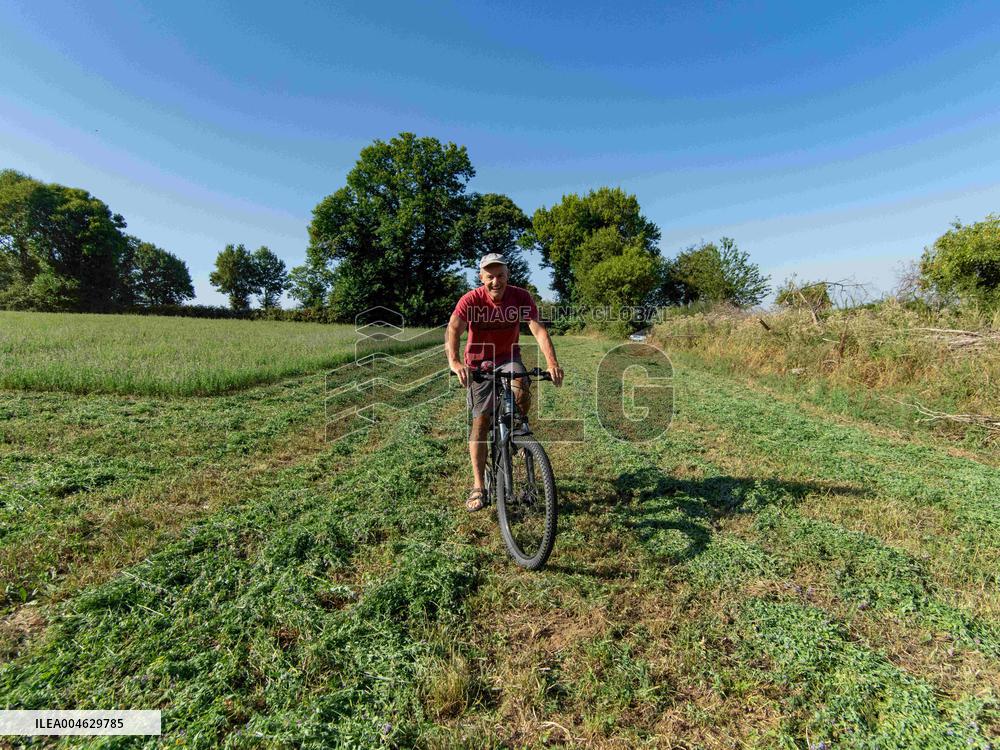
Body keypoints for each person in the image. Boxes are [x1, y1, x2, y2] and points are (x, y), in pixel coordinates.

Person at [446, 253, 564, 512]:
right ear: (482, 278)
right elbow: (454, 329)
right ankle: (479, 485)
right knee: (481, 421)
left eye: (500, 275)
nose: (495, 281)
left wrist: (552, 363)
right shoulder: (471, 300)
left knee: (521, 387)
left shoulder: (521, 297)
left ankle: (518, 432)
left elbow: (538, 329)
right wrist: (455, 362)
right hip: (478, 362)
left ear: (508, 276)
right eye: (490, 276)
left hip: (508, 357)